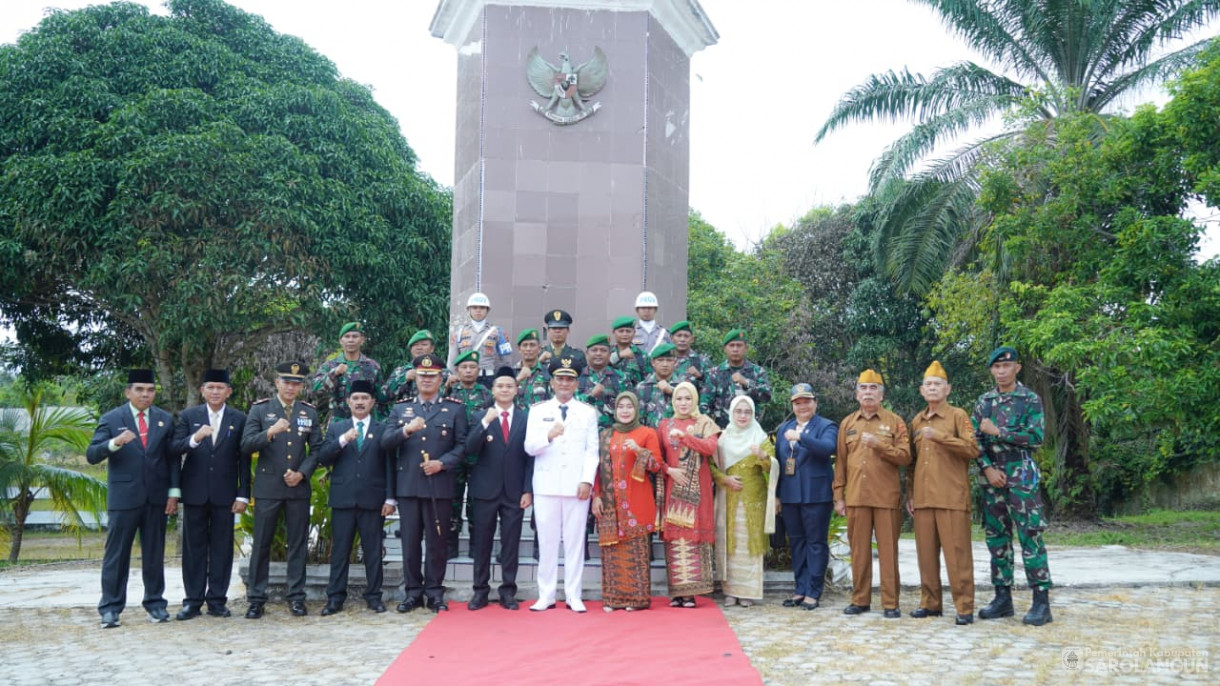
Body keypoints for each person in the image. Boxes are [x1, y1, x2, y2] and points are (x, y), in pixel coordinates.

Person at [86, 368, 180, 628]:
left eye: (150, 390)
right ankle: (110, 608)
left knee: (154, 553)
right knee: (116, 555)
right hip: (124, 498)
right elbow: (92, 454)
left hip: (157, 498)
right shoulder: (112, 418)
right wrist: (115, 442)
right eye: (139, 390)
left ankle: (155, 604)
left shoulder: (163, 419)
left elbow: (172, 459)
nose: (145, 395)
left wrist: (173, 493)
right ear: (128, 392)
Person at [379, 353, 469, 613]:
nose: (427, 380)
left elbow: (462, 446)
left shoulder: (454, 408)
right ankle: (412, 593)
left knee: (437, 543)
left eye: (432, 376)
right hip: (408, 486)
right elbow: (386, 443)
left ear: (441, 379)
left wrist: (442, 463)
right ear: (415, 378)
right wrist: (406, 430)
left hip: (439, 485)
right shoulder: (401, 409)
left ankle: (434, 592)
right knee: (409, 543)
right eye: (422, 376)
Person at [972, 346, 1053, 626]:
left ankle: (1041, 602)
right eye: (996, 367)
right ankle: (1002, 598)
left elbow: (1036, 436)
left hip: (1021, 476)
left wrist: (999, 432)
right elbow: (975, 441)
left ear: (1017, 368)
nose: (1001, 371)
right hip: (992, 478)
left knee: (1030, 535)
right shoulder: (984, 402)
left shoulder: (1029, 399)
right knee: (997, 538)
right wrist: (988, 468)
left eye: (1006, 367)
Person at [240, 361, 324, 619]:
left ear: (301, 386)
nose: (291, 387)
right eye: (286, 382)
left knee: (297, 545)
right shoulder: (261, 409)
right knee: (262, 544)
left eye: (296, 383)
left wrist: (302, 473)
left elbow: (318, 449)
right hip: (268, 488)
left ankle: (296, 597)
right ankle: (256, 599)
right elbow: (245, 445)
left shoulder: (308, 412)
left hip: (297, 488)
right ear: (276, 383)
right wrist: (269, 432)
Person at [169, 368, 248, 620]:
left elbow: (243, 460)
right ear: (202, 390)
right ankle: (192, 601)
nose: (215, 392)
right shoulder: (189, 416)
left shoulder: (239, 418)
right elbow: (174, 447)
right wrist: (195, 438)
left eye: (220, 388)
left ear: (228, 391)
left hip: (225, 495)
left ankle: (217, 600)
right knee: (194, 549)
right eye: (210, 387)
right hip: (194, 493)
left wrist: (243, 494)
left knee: (222, 549)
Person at [523, 356, 600, 613]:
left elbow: (592, 451)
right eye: (560, 379)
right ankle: (545, 595)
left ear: (577, 383)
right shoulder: (538, 411)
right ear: (552, 382)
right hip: (546, 485)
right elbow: (529, 447)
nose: (565, 383)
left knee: (576, 543)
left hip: (576, 486)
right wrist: (548, 435)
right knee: (546, 542)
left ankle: (573, 594)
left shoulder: (588, 412)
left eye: (570, 379)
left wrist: (587, 480)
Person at [833, 369, 911, 619]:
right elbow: (841, 463)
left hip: (886, 497)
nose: (868, 393)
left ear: (881, 394)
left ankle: (890, 602)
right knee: (858, 551)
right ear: (856, 394)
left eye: (873, 388)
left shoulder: (894, 421)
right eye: (864, 389)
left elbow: (906, 456)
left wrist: (881, 445)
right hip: (856, 496)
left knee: (888, 551)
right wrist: (838, 496)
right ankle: (860, 599)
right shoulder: (847, 423)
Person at [315, 380, 395, 616]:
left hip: (373, 499)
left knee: (372, 551)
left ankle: (374, 596)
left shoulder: (382, 429)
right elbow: (324, 458)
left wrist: (390, 499)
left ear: (372, 402)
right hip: (343, 498)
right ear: (348, 402)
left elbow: (389, 465)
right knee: (340, 550)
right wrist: (343, 441)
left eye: (364, 398)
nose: (360, 402)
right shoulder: (337, 428)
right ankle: (335, 597)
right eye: (355, 398)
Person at [907, 361, 978, 625]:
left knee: (957, 555)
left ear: (948, 389)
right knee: (925, 555)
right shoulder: (917, 420)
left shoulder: (958, 416)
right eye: (928, 384)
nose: (933, 388)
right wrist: (910, 494)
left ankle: (964, 607)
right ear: (921, 390)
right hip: (924, 499)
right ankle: (930, 603)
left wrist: (940, 437)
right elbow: (911, 464)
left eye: (938, 384)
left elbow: (972, 449)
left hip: (951, 497)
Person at [462, 367, 534, 611]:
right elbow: (469, 448)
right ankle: (480, 591)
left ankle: (508, 592)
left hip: (514, 491)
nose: (504, 390)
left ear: (516, 390)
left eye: (509, 386)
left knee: (510, 543)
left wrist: (527, 490)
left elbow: (530, 458)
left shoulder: (526, 418)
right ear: (492, 390)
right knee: (482, 542)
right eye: (500, 386)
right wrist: (485, 423)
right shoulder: (479, 415)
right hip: (484, 490)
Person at [591, 392, 663, 612]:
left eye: (629, 407)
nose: (624, 410)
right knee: (613, 555)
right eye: (621, 406)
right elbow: (596, 468)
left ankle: (636, 600)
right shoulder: (606, 435)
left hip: (636, 503)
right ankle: (613, 599)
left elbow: (656, 466)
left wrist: (639, 451)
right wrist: (596, 496)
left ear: (636, 410)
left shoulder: (647, 433)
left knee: (635, 553)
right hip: (610, 505)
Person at [657, 381, 720, 608]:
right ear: (673, 401)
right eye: (679, 399)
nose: (683, 403)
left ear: (695, 400)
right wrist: (668, 470)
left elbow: (709, 448)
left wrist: (685, 438)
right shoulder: (665, 424)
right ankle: (676, 592)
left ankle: (691, 593)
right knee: (675, 539)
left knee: (694, 538)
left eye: (688, 398)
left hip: (698, 489)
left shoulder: (705, 423)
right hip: (674, 488)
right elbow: (658, 457)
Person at [775, 383, 838, 611]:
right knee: (798, 543)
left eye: (806, 401)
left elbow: (828, 448)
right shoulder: (784, 429)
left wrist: (802, 438)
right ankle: (800, 589)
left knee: (815, 543)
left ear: (815, 403)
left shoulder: (826, 426)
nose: (802, 406)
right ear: (792, 406)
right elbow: (780, 465)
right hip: (791, 495)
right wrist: (777, 496)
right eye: (797, 402)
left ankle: (813, 591)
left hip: (816, 495)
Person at [712, 396, 778, 608]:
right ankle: (730, 592)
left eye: (747, 412)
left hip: (753, 501)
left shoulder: (759, 438)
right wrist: (724, 479)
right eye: (738, 411)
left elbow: (772, 468)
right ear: (731, 413)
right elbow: (711, 466)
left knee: (750, 544)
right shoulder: (723, 438)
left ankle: (747, 592)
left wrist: (763, 457)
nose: (742, 416)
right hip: (727, 499)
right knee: (730, 544)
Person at [443, 350, 494, 558]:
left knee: (477, 501)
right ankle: (450, 545)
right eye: (464, 367)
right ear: (457, 370)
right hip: (454, 454)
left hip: (479, 456)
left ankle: (476, 545)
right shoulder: (449, 393)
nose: (468, 370)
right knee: (452, 500)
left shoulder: (486, 394)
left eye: (472, 367)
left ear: (478, 370)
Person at [309, 322, 386, 422]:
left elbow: (381, 397)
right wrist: (334, 374)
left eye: (355, 336)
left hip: (365, 422)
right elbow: (314, 390)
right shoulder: (330, 365)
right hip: (339, 421)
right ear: (341, 341)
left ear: (362, 340)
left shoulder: (372, 366)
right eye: (347, 336)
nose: (351, 340)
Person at [703, 329, 773, 428]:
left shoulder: (756, 371)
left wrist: (746, 382)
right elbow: (704, 404)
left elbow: (767, 396)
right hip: (723, 431)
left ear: (746, 348)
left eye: (739, 345)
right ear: (725, 349)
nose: (735, 349)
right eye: (731, 345)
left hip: (750, 431)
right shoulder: (715, 373)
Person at [447, 292, 513, 385]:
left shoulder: (498, 332)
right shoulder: (459, 333)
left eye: (482, 307)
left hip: (490, 378)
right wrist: (455, 378)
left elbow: (506, 360)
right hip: (465, 379)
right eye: (474, 307)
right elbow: (452, 360)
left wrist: (500, 379)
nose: (478, 310)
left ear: (487, 310)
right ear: (468, 309)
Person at [384, 330, 450, 403]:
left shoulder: (443, 372)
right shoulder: (400, 372)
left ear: (432, 348)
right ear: (411, 349)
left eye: (424, 344)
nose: (419, 348)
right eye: (415, 345)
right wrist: (404, 378)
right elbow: (383, 397)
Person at [577, 334, 625, 429]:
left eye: (603, 350)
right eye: (594, 350)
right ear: (587, 353)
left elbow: (629, 406)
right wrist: (590, 395)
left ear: (610, 354)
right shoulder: (576, 377)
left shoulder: (621, 378)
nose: (598, 353)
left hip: (613, 434)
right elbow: (569, 405)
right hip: (583, 433)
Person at [635, 342, 680, 426]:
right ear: (653, 362)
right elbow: (637, 420)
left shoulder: (683, 387)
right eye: (660, 360)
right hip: (649, 437)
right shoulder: (642, 388)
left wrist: (673, 391)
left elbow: (692, 413)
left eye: (669, 360)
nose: (665, 364)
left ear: (675, 362)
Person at [514, 328, 552, 410]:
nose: (528, 349)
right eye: (525, 345)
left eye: (532, 345)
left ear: (539, 349)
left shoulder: (548, 373)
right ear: (519, 349)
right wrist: (517, 380)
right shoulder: (511, 373)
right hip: (518, 421)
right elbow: (500, 399)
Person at [609, 315, 650, 386]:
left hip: (633, 395)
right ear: (613, 332)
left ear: (634, 332)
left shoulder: (642, 356)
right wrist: (619, 355)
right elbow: (597, 367)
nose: (625, 334)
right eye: (621, 331)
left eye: (628, 331)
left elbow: (648, 381)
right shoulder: (606, 352)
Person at [670, 321, 711, 391]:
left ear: (692, 339)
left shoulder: (702, 362)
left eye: (686, 336)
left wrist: (700, 377)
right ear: (671, 338)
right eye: (679, 336)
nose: (682, 339)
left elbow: (712, 388)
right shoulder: (664, 360)